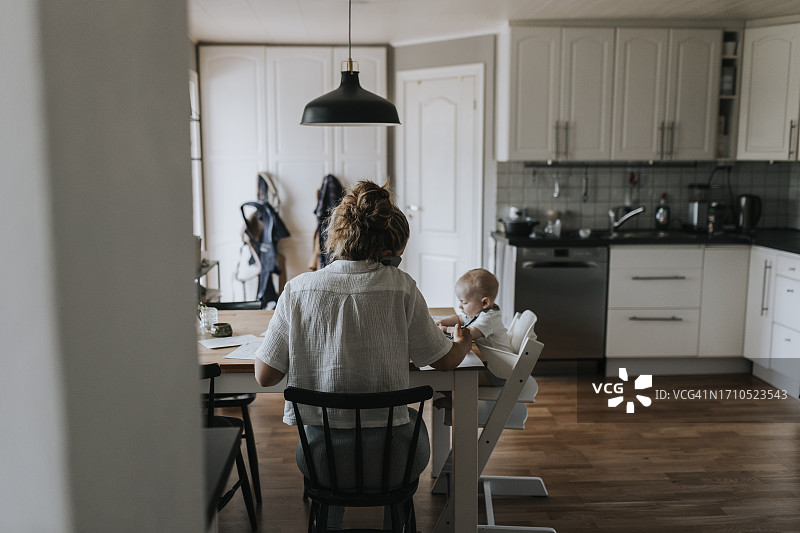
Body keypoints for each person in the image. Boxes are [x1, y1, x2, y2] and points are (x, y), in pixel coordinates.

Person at [254, 180, 473, 530]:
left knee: (331, 459)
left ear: (337, 236)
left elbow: (264, 377)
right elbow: (443, 360)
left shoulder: (296, 290)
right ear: (388, 247)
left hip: (321, 458)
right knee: (405, 430)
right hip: (394, 457)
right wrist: (464, 343)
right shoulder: (401, 286)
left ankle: (330, 521)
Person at [436, 268, 514, 387]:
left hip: (496, 374)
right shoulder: (480, 312)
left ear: (484, 303)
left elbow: (466, 334)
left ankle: (447, 400)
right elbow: (460, 318)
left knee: (450, 373)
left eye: (464, 302)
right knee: (452, 369)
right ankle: (444, 400)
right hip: (490, 366)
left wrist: (444, 330)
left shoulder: (488, 319)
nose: (460, 306)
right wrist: (441, 322)